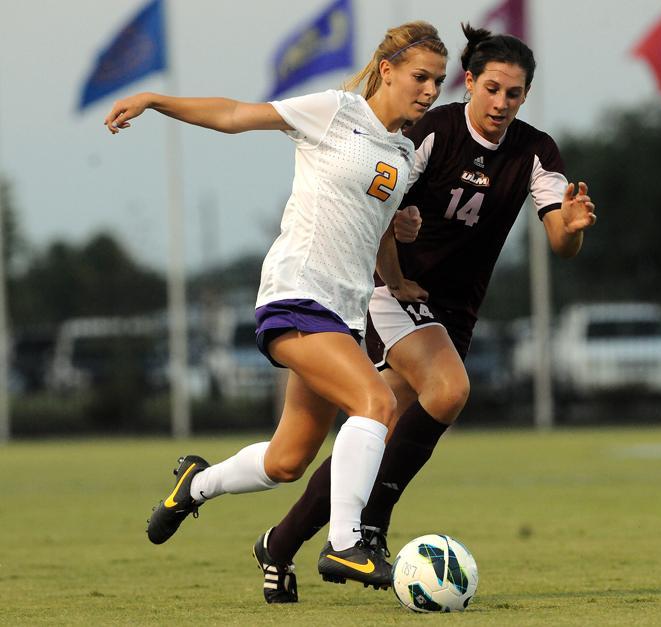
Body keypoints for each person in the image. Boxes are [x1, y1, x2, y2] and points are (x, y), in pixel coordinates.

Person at [253, 22, 597, 603]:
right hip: (399, 295)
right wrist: (393, 274)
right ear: (470, 83)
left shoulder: (536, 151)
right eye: (492, 89)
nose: (501, 102)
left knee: (378, 430)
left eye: (514, 93)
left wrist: (573, 225)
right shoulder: (432, 130)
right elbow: (378, 205)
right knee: (448, 390)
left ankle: (279, 544)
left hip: (454, 313)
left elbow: (560, 241)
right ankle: (367, 529)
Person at [104, 22, 447, 591]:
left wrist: (400, 274)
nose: (431, 90)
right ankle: (345, 545)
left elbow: (378, 232)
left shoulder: (403, 153)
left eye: (437, 80)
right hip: (296, 294)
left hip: (342, 316)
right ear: (386, 70)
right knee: (377, 403)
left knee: (287, 462)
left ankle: (195, 485)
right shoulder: (335, 112)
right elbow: (236, 114)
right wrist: (155, 99)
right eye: (420, 76)